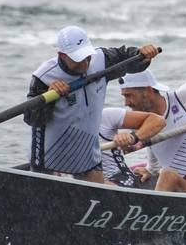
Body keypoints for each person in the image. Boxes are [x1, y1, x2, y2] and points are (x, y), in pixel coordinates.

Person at [23, 26, 161, 182]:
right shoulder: (45, 76)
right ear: (61, 55)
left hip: (87, 154)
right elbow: (32, 119)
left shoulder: (101, 60)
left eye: (87, 56)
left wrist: (142, 56)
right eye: (78, 59)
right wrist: (49, 95)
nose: (85, 63)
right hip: (49, 157)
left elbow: (128, 59)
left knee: (100, 197)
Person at [97, 104, 167, 188]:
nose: (125, 103)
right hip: (88, 182)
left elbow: (158, 121)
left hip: (119, 180)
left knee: (168, 174)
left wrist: (133, 137)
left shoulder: (104, 116)